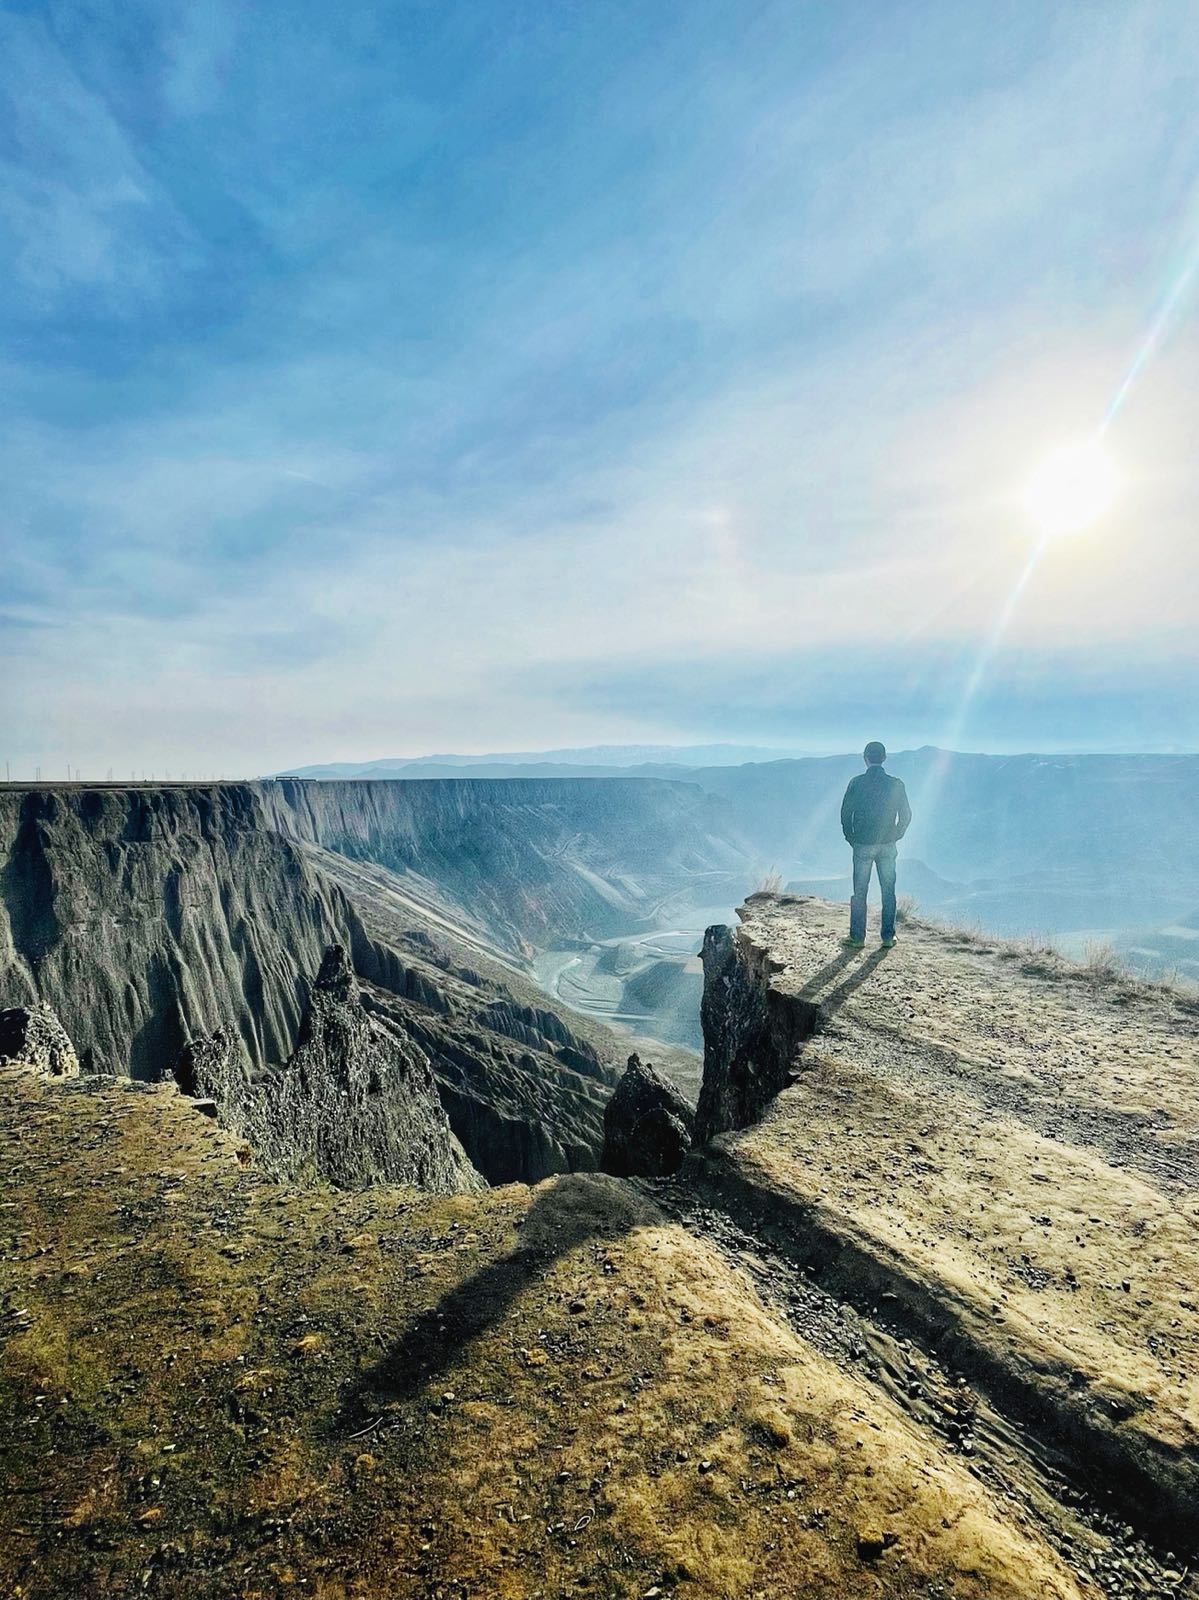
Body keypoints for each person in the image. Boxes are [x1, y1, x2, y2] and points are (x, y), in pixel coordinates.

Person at [840, 741, 912, 949]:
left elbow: (846, 813)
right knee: (888, 890)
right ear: (884, 758)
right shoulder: (896, 784)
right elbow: (906, 815)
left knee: (859, 891)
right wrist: (896, 834)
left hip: (862, 843)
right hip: (888, 844)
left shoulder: (856, 783)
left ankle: (857, 937)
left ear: (865, 758)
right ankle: (888, 937)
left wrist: (851, 837)